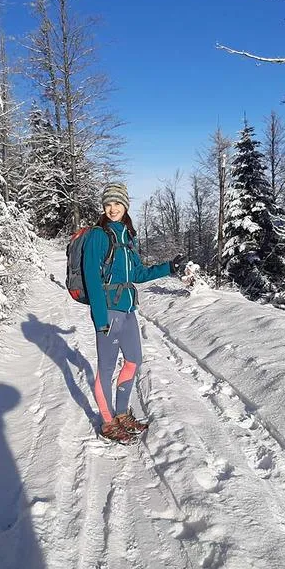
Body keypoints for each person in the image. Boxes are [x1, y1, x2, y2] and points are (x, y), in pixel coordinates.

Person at [83, 183, 185, 443]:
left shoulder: (127, 236)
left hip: (128, 310)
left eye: (117, 203)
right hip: (108, 310)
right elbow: (92, 279)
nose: (112, 208)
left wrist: (168, 267)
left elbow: (138, 274)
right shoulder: (98, 235)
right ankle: (107, 423)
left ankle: (121, 414)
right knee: (105, 369)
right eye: (108, 204)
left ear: (125, 206)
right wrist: (100, 318)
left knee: (133, 361)